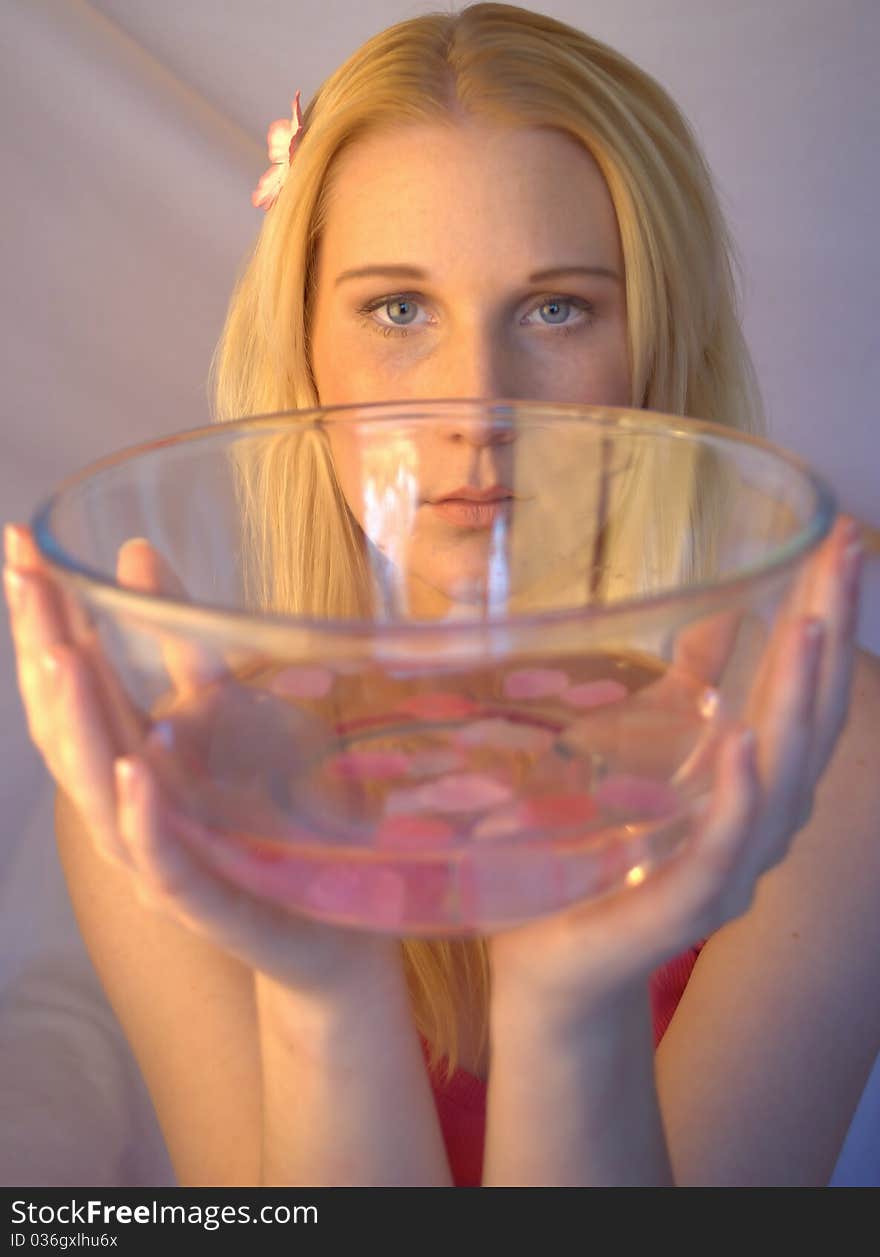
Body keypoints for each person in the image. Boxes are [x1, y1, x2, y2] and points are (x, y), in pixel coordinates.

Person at [3, 2, 879, 1187]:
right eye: (398, 310)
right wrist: (325, 986)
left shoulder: (824, 750)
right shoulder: (182, 786)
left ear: (654, 350)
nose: (476, 403)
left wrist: (570, 1002)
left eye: (556, 308)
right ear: (305, 344)